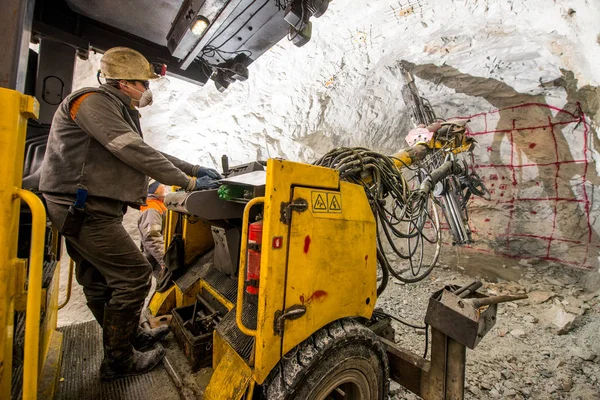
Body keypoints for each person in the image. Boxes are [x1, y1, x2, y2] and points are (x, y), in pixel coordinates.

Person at [39, 47, 221, 381]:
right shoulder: (92, 102)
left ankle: (128, 339)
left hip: (87, 209)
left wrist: (193, 168)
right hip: (82, 209)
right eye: (143, 83)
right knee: (135, 275)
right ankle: (118, 361)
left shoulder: (113, 108)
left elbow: (147, 150)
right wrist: (189, 181)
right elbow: (132, 150)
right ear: (124, 82)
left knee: (97, 282)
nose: (146, 90)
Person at [139, 180, 168, 277]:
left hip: (159, 254)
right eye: (161, 184)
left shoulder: (158, 203)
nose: (164, 186)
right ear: (154, 190)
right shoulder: (151, 207)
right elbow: (151, 236)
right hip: (157, 258)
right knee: (164, 283)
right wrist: (165, 261)